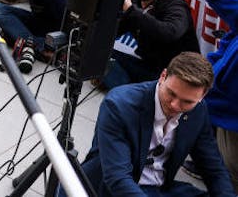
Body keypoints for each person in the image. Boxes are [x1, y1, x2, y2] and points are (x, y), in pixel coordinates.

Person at [79, 52, 234, 197]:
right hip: (112, 191)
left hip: (159, 188)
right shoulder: (119, 105)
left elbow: (214, 170)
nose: (175, 105)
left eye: (187, 102)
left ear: (203, 95)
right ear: (163, 76)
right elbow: (118, 178)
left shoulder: (198, 111)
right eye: (171, 93)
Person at [180, 0, 238, 189]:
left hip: (232, 112)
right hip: (222, 102)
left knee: (231, 176)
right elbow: (230, 41)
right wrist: (206, 72)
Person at [102, 0, 200, 90]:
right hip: (149, 67)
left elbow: (169, 33)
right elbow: (111, 32)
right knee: (100, 55)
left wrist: (130, 11)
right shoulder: (136, 4)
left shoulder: (176, 6)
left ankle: (132, 93)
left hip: (176, 77)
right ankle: (129, 90)